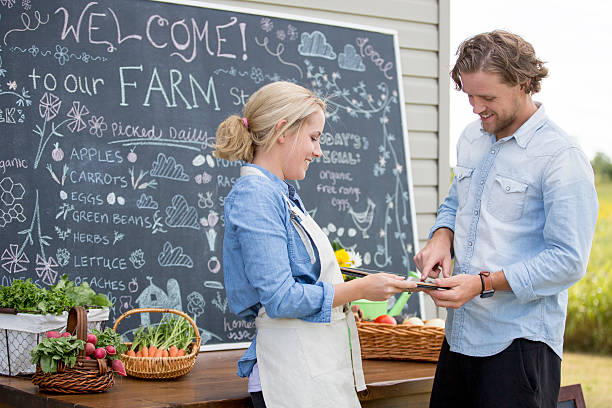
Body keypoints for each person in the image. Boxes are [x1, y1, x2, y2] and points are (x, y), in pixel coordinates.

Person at [414, 30, 598, 408]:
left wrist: (483, 284)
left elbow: (568, 260)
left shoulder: (561, 157)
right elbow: (455, 201)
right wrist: (440, 237)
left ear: (524, 84)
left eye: (487, 97)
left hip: (519, 347)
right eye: (468, 95)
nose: (476, 107)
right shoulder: (470, 137)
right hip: (460, 338)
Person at [215, 81, 415, 408]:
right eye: (313, 138)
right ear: (283, 131)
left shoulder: (282, 194)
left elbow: (301, 277)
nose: (318, 151)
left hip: (308, 367)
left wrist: (357, 285)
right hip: (288, 375)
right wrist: (360, 290)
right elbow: (280, 298)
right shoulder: (256, 196)